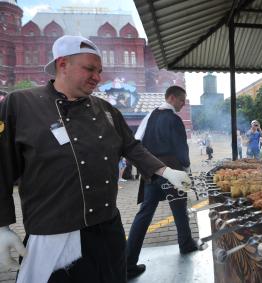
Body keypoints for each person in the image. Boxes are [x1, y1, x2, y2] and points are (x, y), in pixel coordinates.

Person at [0, 35, 190, 283]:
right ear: (62, 64)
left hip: (107, 229)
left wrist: (165, 171)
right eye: (89, 69)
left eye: (99, 71)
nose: (97, 77)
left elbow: (132, 147)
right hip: (53, 233)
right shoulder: (20, 104)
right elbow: (1, 166)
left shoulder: (106, 109)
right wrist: (2, 226)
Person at [128, 86, 198, 279]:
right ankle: (186, 244)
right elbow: (181, 148)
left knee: (144, 214)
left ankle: (128, 262)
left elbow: (137, 142)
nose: (183, 104)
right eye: (182, 100)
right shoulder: (174, 119)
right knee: (179, 209)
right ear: (172, 98)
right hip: (172, 170)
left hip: (152, 171)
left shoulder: (149, 117)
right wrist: (186, 169)